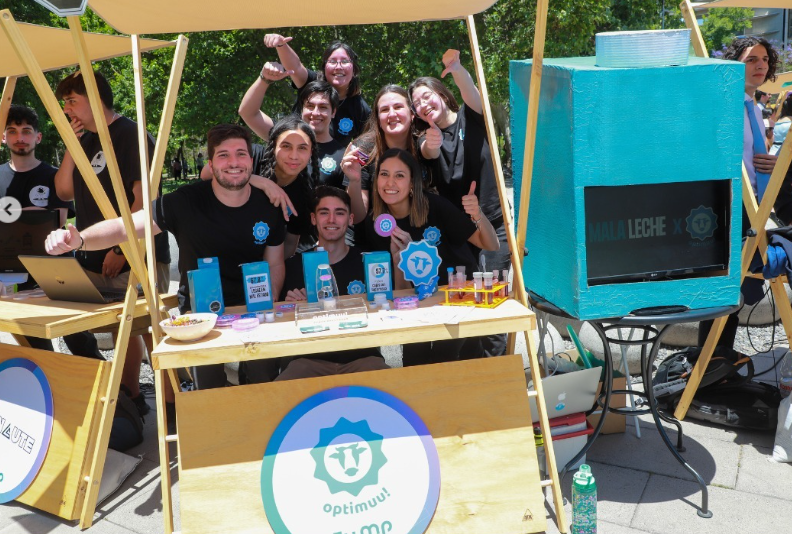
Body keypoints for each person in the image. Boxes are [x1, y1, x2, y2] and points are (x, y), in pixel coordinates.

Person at [46, 124, 287, 389]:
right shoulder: (184, 201)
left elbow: (275, 262)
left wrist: (270, 303)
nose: (233, 162)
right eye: (223, 155)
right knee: (207, 391)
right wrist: (79, 239)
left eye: (241, 154)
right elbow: (125, 227)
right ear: (210, 163)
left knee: (264, 380)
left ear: (251, 160)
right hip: (200, 313)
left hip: (253, 310)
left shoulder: (269, 205)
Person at [53, 70, 172, 413]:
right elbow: (63, 190)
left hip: (138, 255)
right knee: (123, 330)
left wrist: (122, 249)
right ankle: (132, 400)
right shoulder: (85, 140)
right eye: (64, 103)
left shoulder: (131, 135)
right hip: (94, 257)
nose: (66, 109)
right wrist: (71, 144)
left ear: (95, 98)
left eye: (72, 101)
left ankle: (172, 404)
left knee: (151, 328)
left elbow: (144, 200)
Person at [348, 148, 498, 365]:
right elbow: (401, 292)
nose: (390, 182)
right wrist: (399, 261)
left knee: (444, 357)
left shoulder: (435, 206)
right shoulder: (377, 224)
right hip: (415, 304)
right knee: (414, 358)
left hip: (456, 298)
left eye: (399, 175)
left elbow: (491, 244)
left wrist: (477, 214)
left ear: (412, 183)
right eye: (384, 174)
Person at [409, 49, 510, 356]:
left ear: (442, 94)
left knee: (493, 305)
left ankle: (495, 371)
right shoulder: (425, 137)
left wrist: (456, 69)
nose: (423, 104)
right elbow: (426, 151)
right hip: (460, 235)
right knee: (463, 307)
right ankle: (467, 370)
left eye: (427, 96)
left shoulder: (472, 117)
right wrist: (431, 144)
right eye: (417, 103)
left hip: (494, 224)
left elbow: (472, 94)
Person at [699, 36, 792, 350]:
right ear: (734, 65)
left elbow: (755, 159)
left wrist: (776, 164)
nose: (760, 65)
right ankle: (711, 360)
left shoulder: (756, 106)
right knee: (724, 288)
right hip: (728, 204)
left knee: (734, 290)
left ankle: (719, 360)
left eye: (764, 59)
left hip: (755, 205)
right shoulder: (723, 107)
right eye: (751, 59)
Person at [276, 185, 388, 379]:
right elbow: (276, 324)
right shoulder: (293, 266)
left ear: (350, 219)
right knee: (276, 392)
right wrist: (291, 309)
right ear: (313, 218)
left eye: (339, 213)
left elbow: (390, 311)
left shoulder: (369, 264)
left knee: (397, 387)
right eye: (324, 212)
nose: (331, 220)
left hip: (362, 358)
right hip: (307, 361)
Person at [239, 67, 346, 189]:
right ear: (302, 109)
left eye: (323, 107)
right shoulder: (283, 134)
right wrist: (264, 79)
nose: (315, 113)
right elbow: (248, 113)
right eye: (310, 106)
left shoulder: (342, 156)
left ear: (333, 112)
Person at [262, 34, 370, 144]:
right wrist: (281, 45)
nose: (338, 67)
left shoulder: (360, 108)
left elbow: (369, 143)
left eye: (345, 61)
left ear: (354, 70)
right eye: (332, 61)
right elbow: (296, 67)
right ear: (324, 68)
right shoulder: (311, 83)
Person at [343, 85, 426, 215]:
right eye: (385, 110)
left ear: (412, 114)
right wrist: (354, 181)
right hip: (375, 223)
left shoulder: (424, 144)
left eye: (398, 107)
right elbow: (357, 216)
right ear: (378, 119)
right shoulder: (363, 149)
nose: (392, 114)